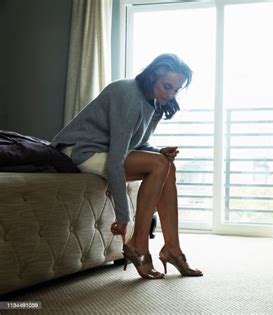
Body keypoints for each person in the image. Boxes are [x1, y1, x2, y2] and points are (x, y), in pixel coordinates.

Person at [51, 53, 203, 279]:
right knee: (161, 165)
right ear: (152, 77)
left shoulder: (155, 101)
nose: (170, 94)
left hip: (107, 149)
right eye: (167, 86)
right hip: (81, 150)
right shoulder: (127, 94)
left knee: (167, 165)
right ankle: (139, 245)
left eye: (176, 90)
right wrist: (124, 216)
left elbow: (136, 142)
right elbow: (116, 160)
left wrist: (156, 152)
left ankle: (172, 248)